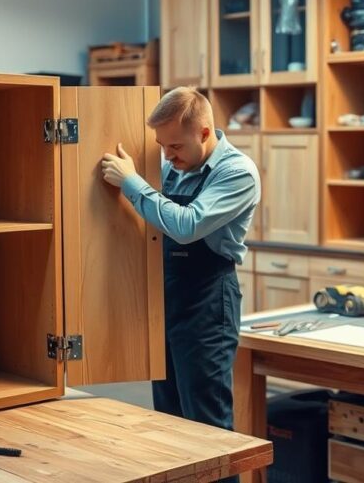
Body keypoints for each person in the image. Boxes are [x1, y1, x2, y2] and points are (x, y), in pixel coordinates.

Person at [100, 86, 261, 465]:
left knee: (208, 428)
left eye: (175, 147)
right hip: (167, 299)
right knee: (168, 423)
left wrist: (131, 182)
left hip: (207, 305)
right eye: (163, 146)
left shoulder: (236, 172)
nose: (167, 157)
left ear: (204, 133)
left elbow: (186, 225)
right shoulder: (174, 162)